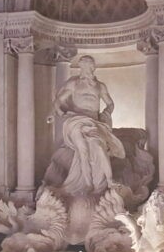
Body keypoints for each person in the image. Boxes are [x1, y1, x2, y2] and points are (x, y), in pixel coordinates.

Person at [47, 55, 125, 196]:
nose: (88, 68)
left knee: (99, 147)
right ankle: (88, 184)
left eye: (90, 65)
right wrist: (58, 113)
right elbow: (58, 100)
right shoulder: (74, 83)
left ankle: (109, 180)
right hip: (76, 120)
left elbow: (110, 103)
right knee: (82, 150)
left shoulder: (100, 86)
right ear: (81, 67)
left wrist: (106, 113)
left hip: (93, 121)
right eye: (85, 65)